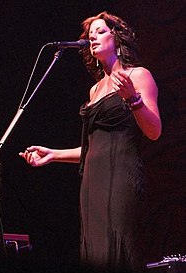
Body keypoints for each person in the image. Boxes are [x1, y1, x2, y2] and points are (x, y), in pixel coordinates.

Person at [19, 11, 162, 273]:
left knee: (119, 248)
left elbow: (154, 131)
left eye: (100, 31)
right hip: (91, 183)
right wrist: (53, 154)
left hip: (121, 177)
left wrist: (133, 99)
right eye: (89, 34)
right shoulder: (94, 90)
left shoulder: (139, 76)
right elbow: (92, 148)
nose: (92, 38)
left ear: (116, 38)